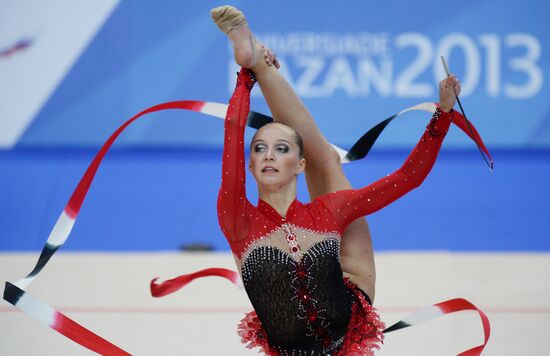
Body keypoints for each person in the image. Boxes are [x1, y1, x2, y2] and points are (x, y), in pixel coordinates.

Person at [210, 5, 461, 355]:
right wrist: (244, 79)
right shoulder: (237, 218)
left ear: (298, 164)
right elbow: (234, 133)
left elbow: (408, 178)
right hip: (325, 324)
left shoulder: (330, 210)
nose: (267, 155)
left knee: (325, 163)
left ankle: (258, 62)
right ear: (249, 166)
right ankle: (258, 60)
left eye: (280, 148)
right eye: (260, 149)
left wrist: (443, 115)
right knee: (326, 164)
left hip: (348, 307)